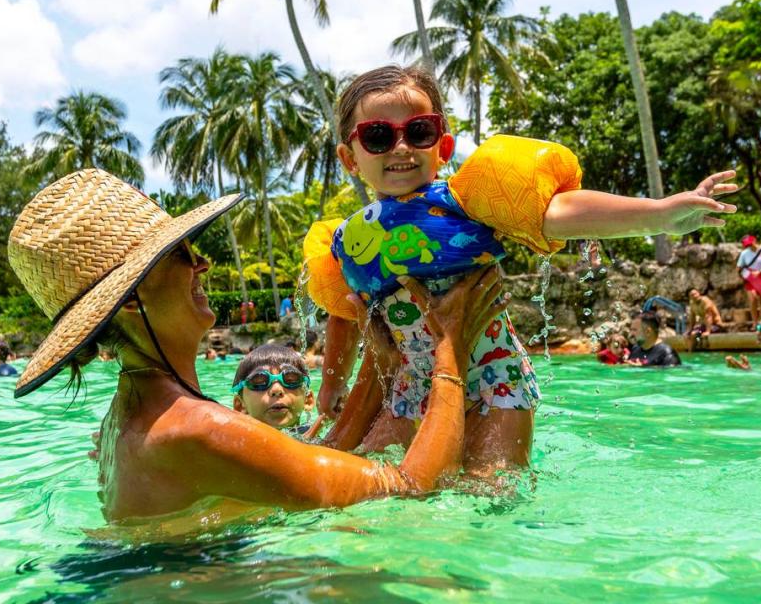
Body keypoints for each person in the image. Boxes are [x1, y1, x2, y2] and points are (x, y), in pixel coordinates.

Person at [9, 168, 506, 522]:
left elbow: (317, 457)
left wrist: (383, 365)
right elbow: (409, 489)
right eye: (182, 254)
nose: (201, 264)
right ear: (133, 302)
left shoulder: (133, 415)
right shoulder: (197, 429)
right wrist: (449, 353)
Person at [304, 64, 734, 471]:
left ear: (443, 147)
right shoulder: (345, 242)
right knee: (382, 490)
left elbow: (556, 211)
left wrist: (658, 213)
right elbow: (344, 313)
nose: (400, 146)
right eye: (378, 136)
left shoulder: (464, 201)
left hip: (495, 377)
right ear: (350, 157)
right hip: (411, 386)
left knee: (491, 492)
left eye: (419, 132)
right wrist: (330, 385)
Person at [232, 344, 314, 431]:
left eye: (291, 380)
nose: (277, 389)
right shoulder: (232, 443)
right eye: (259, 383)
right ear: (240, 406)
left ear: (307, 400)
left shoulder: (323, 441)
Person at [737, 234, 761, 323]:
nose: (750, 246)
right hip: (751, 278)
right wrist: (744, 273)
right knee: (752, 299)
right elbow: (739, 267)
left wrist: (760, 271)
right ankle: (755, 322)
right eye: (747, 245)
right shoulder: (744, 253)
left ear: (754, 241)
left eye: (750, 244)